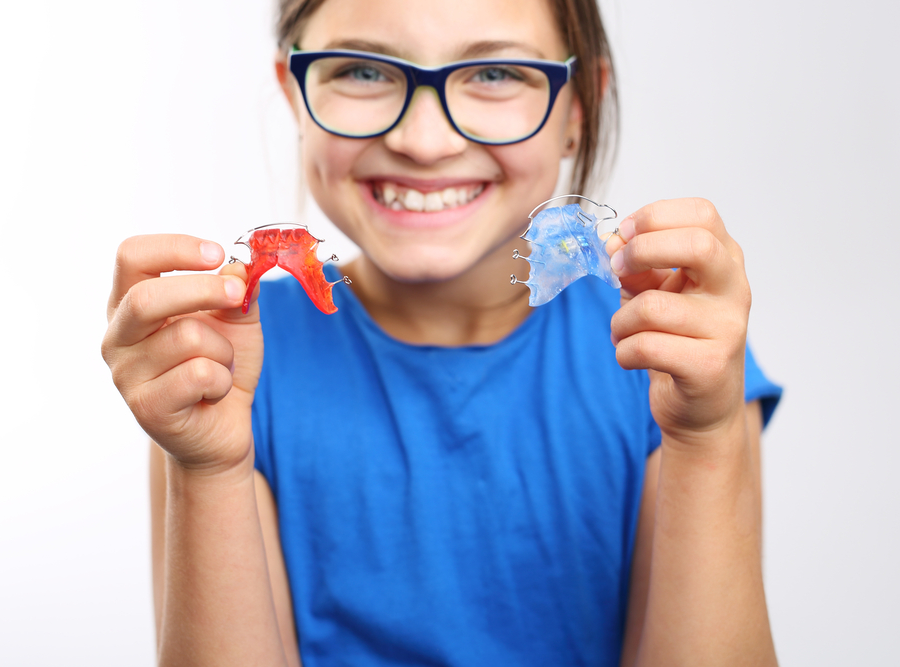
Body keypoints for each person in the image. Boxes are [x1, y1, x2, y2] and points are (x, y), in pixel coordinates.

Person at [101, 0, 783, 664]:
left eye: (495, 74)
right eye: (364, 70)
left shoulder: (673, 355)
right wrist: (208, 466)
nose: (424, 142)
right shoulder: (227, 367)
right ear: (294, 94)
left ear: (579, 107)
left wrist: (705, 437)